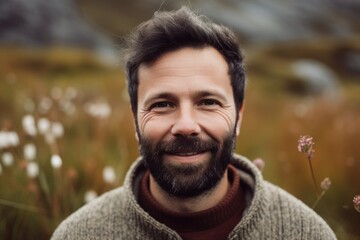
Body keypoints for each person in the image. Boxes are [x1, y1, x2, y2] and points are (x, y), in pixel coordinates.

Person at [51, 7, 336, 240]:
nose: (186, 125)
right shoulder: (77, 234)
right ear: (134, 117)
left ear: (239, 116)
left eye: (208, 102)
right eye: (162, 104)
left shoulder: (307, 233)